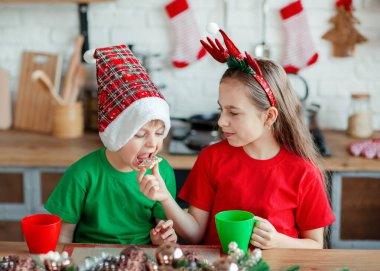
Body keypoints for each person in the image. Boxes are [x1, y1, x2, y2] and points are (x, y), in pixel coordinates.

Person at [138, 24, 335, 249]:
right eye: (221, 109)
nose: (221, 121)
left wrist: (278, 241)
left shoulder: (304, 172)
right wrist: (164, 197)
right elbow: (194, 234)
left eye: (233, 112)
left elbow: (315, 247)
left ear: (269, 116)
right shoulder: (212, 158)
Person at [45, 45, 177, 245]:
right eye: (140, 134)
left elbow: (164, 235)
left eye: (159, 133)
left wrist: (162, 239)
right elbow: (63, 236)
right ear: (116, 135)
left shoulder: (163, 172)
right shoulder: (82, 174)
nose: (152, 143)